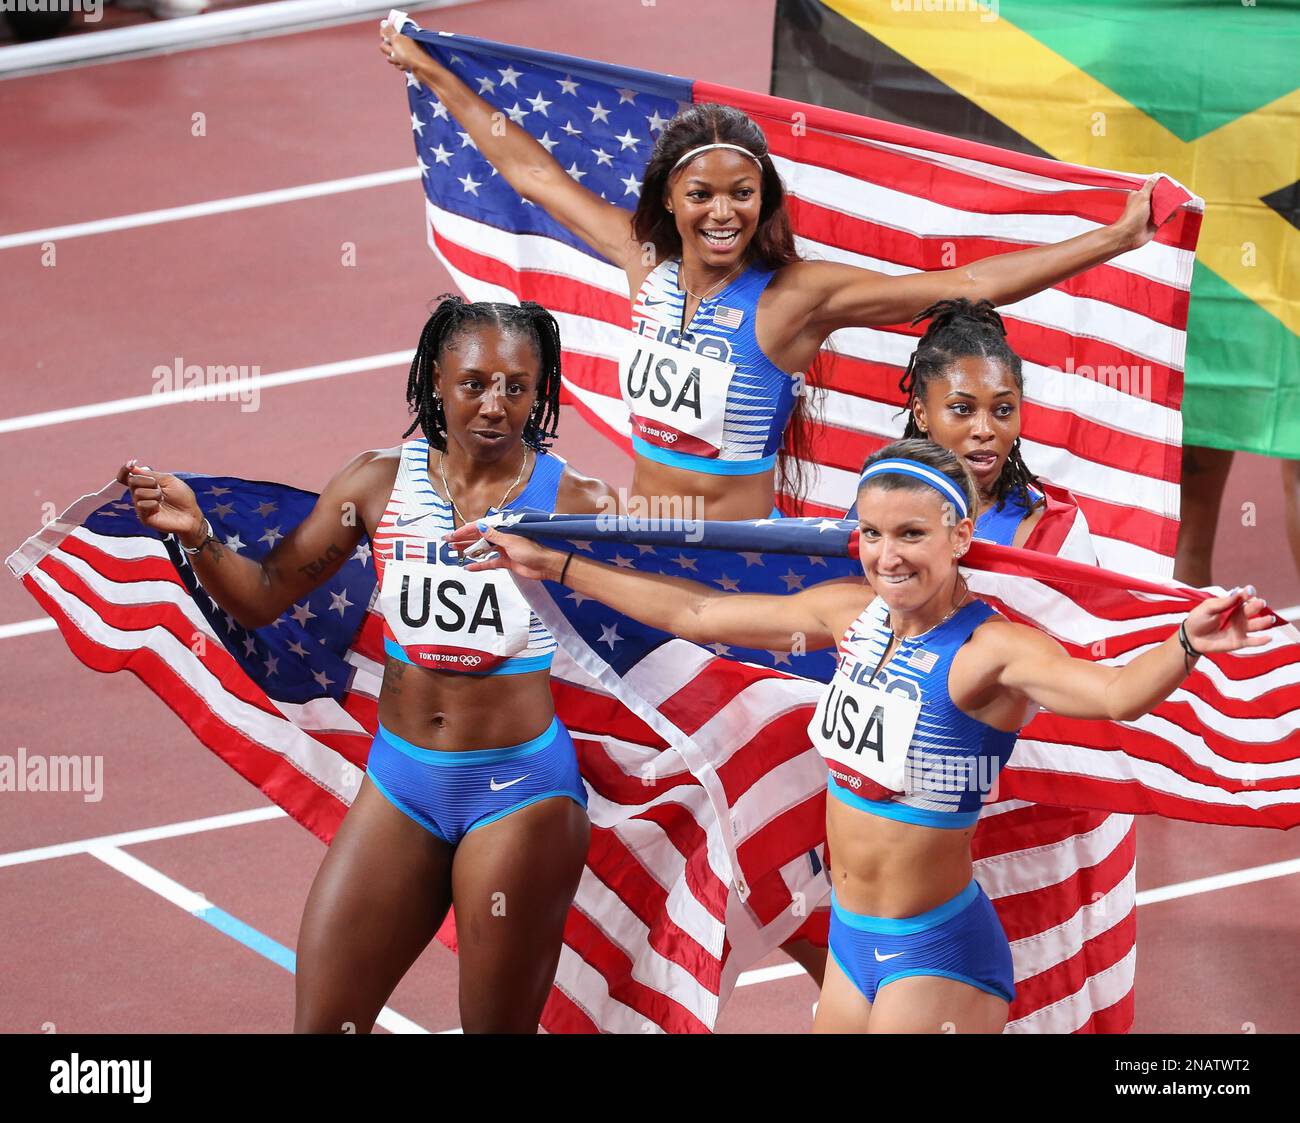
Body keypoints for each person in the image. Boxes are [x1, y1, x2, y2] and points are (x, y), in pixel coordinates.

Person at [451, 438, 1270, 1032]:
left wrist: (1189, 642)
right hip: (852, 941)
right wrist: (550, 565)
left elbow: (1115, 694)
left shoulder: (992, 651)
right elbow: (695, 613)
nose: (887, 555)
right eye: (872, 533)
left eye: (911, 535)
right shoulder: (851, 614)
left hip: (938, 949)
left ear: (958, 538)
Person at [378, 21, 1165, 521]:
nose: (723, 213)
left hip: (729, 567)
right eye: (702, 195)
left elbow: (965, 286)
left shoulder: (793, 299)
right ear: (671, 200)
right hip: (638, 546)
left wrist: (1114, 239)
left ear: (765, 199)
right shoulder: (642, 263)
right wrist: (429, 67)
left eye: (742, 194)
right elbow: (534, 177)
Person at [117, 297, 616, 1033]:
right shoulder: (377, 485)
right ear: (434, 384)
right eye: (473, 382)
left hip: (521, 791)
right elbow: (260, 597)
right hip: (402, 781)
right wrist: (196, 535)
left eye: (516, 385)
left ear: (541, 392)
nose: (494, 404)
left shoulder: (577, 504)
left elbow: (672, 619)